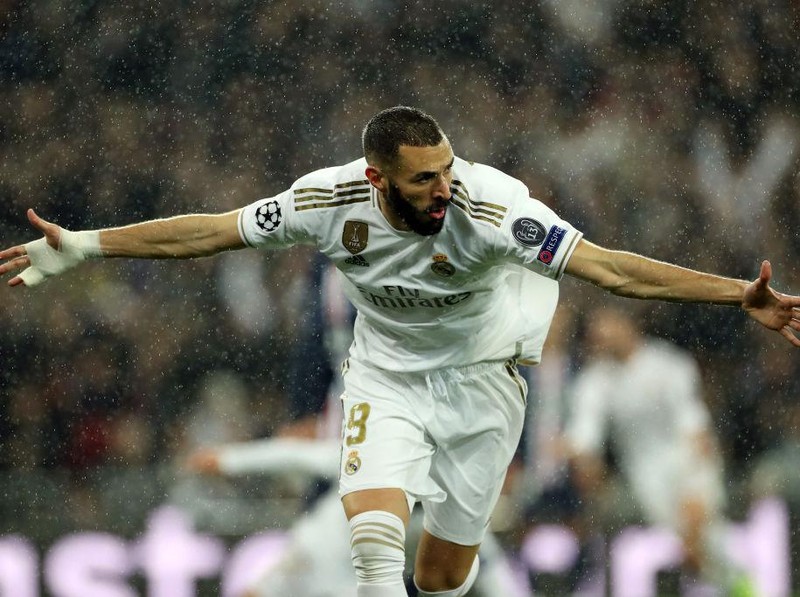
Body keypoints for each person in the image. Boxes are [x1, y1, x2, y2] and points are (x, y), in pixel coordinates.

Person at [1, 106, 798, 597]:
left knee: (441, 576)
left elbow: (614, 268)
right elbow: (209, 231)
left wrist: (738, 293)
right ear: (379, 179)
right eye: (424, 181)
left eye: (447, 171)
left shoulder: (491, 206)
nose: (442, 189)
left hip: (487, 381)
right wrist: (88, 246)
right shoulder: (327, 200)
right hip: (384, 376)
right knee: (376, 551)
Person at [563, 305, 753, 595]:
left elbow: (695, 430)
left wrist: (697, 487)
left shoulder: (668, 364)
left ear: (627, 325)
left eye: (605, 326)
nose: (597, 336)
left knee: (705, 534)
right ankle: (733, 584)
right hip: (644, 476)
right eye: (594, 331)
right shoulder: (596, 380)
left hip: (686, 461)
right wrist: (578, 456)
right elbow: (583, 434)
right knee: (689, 547)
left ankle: (742, 583)